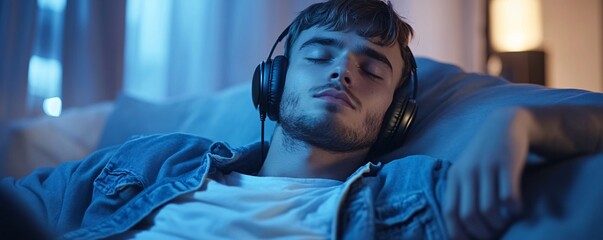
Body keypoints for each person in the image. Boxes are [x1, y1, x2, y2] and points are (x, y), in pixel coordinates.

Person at [1, 0, 602, 239]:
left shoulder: (415, 197)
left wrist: (524, 123)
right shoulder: (152, 161)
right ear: (274, 79)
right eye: (318, 54)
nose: (342, 72)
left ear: (396, 117)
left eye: (373, 69)